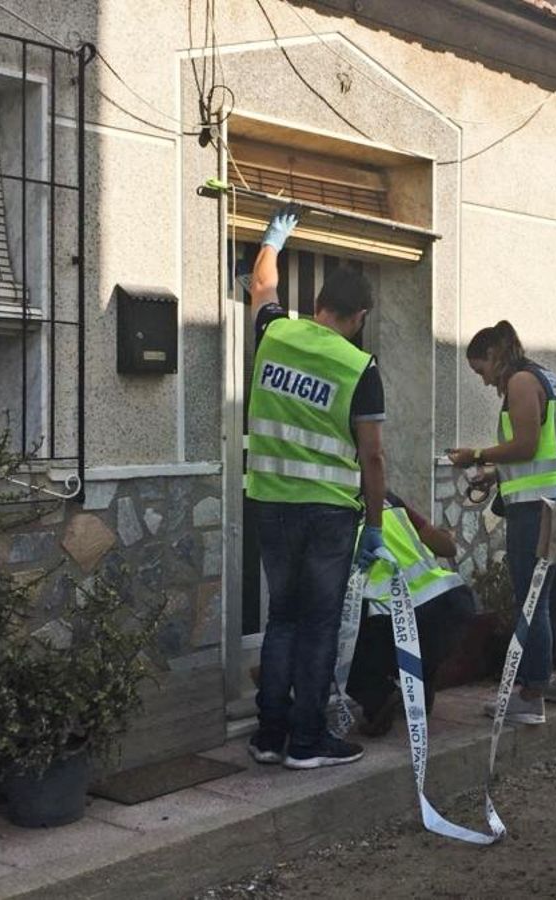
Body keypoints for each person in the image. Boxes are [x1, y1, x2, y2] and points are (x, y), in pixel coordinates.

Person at [246, 204, 388, 770]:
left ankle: (268, 737)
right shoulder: (359, 366)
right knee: (317, 624)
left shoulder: (276, 333)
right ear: (357, 317)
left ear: (317, 306)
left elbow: (261, 283)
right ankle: (307, 743)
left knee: (281, 617)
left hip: (270, 504)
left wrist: (273, 240)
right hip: (328, 515)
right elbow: (372, 456)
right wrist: (376, 528)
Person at [447, 321, 556, 725]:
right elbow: (542, 450)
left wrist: (475, 455)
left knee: (532, 598)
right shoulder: (550, 379)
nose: (486, 381)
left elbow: (525, 444)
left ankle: (530, 693)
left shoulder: (522, 382)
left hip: (537, 509)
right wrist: (495, 475)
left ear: (494, 355)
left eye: (481, 370)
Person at [345, 493, 475, 737]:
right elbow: (446, 547)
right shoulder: (388, 500)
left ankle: (378, 697)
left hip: (395, 620)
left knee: (327, 628)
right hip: (451, 604)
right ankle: (418, 692)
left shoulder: (332, 512)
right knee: (422, 624)